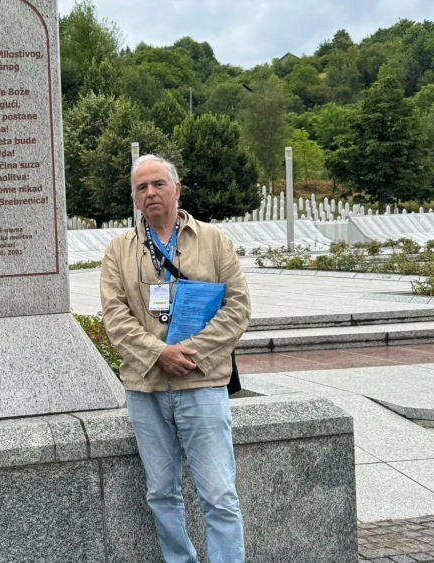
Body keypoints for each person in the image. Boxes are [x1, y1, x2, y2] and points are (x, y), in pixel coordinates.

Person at [99, 154, 251, 563]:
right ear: (135, 198)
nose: (150, 193)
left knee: (219, 494)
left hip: (202, 384)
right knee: (161, 493)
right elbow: (115, 317)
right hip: (146, 387)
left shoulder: (214, 241)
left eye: (158, 184)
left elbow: (238, 308)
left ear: (177, 189)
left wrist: (190, 352)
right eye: (142, 187)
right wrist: (159, 353)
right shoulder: (119, 250)